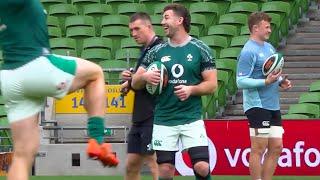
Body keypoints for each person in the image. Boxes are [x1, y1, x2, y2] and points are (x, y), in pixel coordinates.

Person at [0, 1, 118, 180]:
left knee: (22, 155)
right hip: (35, 65)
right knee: (95, 74)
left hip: (10, 77)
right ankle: (97, 139)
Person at [131, 4, 217, 180]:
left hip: (191, 118)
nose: (162, 22)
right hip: (164, 119)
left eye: (166, 17)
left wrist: (191, 89)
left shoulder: (201, 49)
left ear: (180, 20)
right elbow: (135, 82)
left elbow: (212, 85)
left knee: (202, 166)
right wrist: (145, 76)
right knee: (165, 170)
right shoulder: (155, 51)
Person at [236, 12, 292, 180]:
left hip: (273, 104)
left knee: (276, 147)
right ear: (255, 28)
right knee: (258, 148)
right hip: (257, 105)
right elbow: (240, 81)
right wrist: (265, 83)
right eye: (266, 27)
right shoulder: (248, 51)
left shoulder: (269, 47)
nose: (269, 30)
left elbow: (272, 72)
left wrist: (280, 81)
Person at [120, 12, 162, 180]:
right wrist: (130, 82)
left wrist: (137, 79)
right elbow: (141, 80)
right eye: (131, 30)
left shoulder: (159, 48)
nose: (133, 34)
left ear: (149, 26)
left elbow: (158, 79)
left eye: (137, 29)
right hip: (139, 115)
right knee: (131, 165)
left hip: (153, 113)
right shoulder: (144, 50)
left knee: (153, 161)